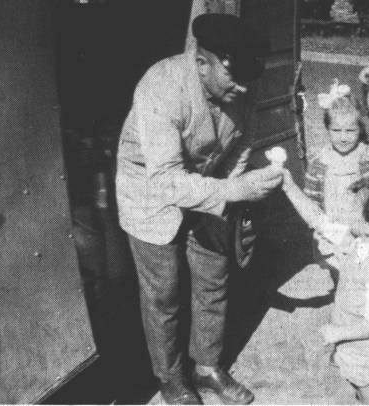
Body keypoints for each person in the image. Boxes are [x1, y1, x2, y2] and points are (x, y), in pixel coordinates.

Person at [115, 13, 281, 405]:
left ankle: (206, 368)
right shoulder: (162, 85)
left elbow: (241, 144)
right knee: (164, 293)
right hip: (151, 191)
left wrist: (236, 195)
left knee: (213, 277)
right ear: (202, 62)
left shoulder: (242, 85)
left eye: (246, 79)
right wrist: (234, 189)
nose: (243, 88)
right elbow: (167, 179)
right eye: (234, 79)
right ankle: (171, 380)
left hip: (212, 183)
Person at [283, 168, 369, 404]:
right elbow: (319, 220)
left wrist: (338, 333)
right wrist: (289, 187)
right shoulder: (356, 243)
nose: (343, 213)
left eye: (351, 210)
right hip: (352, 348)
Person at [304, 80, 369, 287]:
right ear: (327, 129)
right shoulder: (320, 161)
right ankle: (341, 304)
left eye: (350, 131)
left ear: (360, 130)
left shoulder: (365, 157)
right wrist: (316, 223)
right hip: (333, 227)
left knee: (363, 273)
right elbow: (312, 197)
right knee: (338, 272)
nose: (343, 138)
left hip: (361, 226)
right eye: (336, 131)